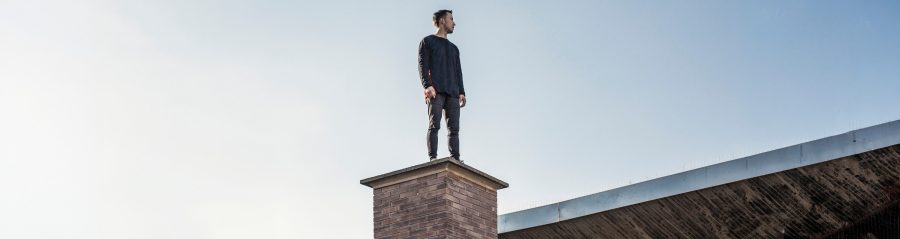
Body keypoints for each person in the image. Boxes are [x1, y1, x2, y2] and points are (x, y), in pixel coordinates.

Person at [418, 9, 466, 162]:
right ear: (442, 21)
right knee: (434, 125)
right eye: (451, 19)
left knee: (454, 130)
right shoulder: (427, 42)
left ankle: (456, 159)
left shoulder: (454, 49)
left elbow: (458, 71)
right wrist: (427, 85)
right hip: (436, 91)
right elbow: (422, 66)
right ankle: (433, 159)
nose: (454, 23)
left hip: (453, 92)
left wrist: (462, 91)